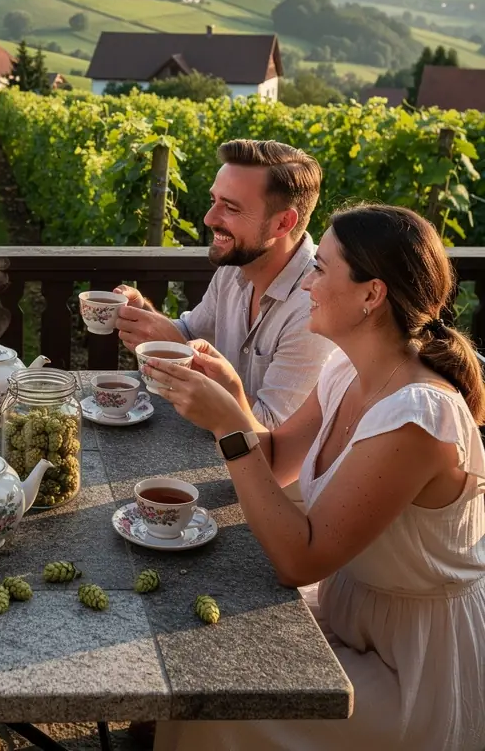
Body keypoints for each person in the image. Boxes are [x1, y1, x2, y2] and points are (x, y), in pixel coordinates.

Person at [145, 204, 485, 751]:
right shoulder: (348, 368)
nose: (306, 281)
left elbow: (298, 559)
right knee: (198, 637)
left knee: (222, 692)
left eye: (321, 268)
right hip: (349, 612)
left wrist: (230, 429)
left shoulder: (420, 416)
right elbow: (277, 459)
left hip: (410, 664)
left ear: (372, 295)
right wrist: (233, 394)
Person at [116, 139, 334, 429]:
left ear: (282, 224)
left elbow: (272, 432)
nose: (209, 219)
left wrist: (177, 349)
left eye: (230, 208)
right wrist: (144, 315)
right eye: (213, 201)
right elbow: (193, 333)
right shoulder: (236, 267)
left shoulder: (314, 305)